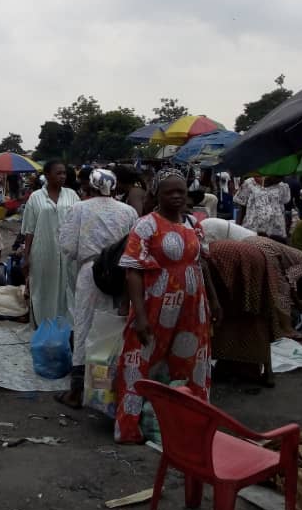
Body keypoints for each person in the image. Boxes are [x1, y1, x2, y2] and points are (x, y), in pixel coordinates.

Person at [114, 169, 221, 443]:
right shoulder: (146, 225)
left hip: (192, 308)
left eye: (181, 191)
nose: (176, 196)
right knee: (140, 362)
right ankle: (131, 428)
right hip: (156, 306)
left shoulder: (194, 225)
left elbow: (202, 263)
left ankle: (190, 424)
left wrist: (214, 301)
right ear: (157, 195)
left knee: (191, 364)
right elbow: (133, 271)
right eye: (169, 192)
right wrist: (138, 315)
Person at [57, 168, 138, 408]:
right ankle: (109, 390)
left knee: (85, 327)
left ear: (89, 187)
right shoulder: (129, 212)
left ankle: (77, 392)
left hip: (91, 273)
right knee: (114, 330)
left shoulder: (79, 209)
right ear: (113, 187)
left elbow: (68, 247)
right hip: (123, 275)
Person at [209, 236, 302, 386]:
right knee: (255, 312)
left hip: (249, 251)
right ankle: (251, 367)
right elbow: (288, 284)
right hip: (251, 256)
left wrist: (292, 307)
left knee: (251, 312)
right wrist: (296, 304)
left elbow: (287, 283)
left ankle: (261, 369)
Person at [22, 159, 80, 326]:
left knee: (67, 290)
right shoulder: (36, 197)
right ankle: (43, 326)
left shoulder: (72, 195)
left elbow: (79, 223)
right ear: (47, 175)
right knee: (43, 289)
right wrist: (26, 256)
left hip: (68, 253)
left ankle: (66, 329)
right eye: (58, 173)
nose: (63, 176)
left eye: (64, 173)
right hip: (43, 252)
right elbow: (29, 230)